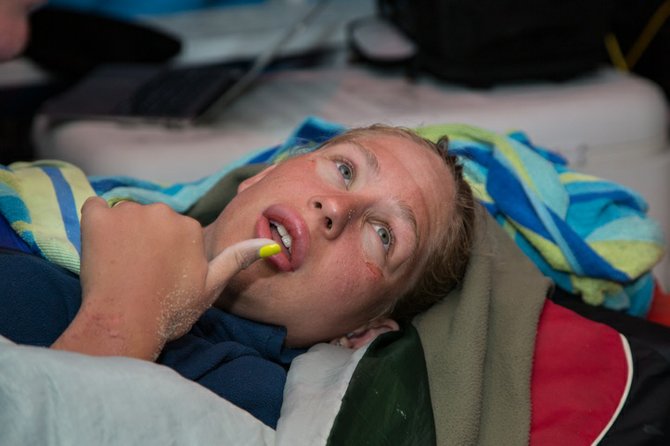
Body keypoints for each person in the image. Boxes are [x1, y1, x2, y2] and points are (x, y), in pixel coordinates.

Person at [0, 124, 476, 427]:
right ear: (262, 176)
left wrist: (127, 314)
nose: (336, 207)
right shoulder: (64, 207)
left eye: (384, 235)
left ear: (362, 332)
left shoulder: (245, 399)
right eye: (345, 170)